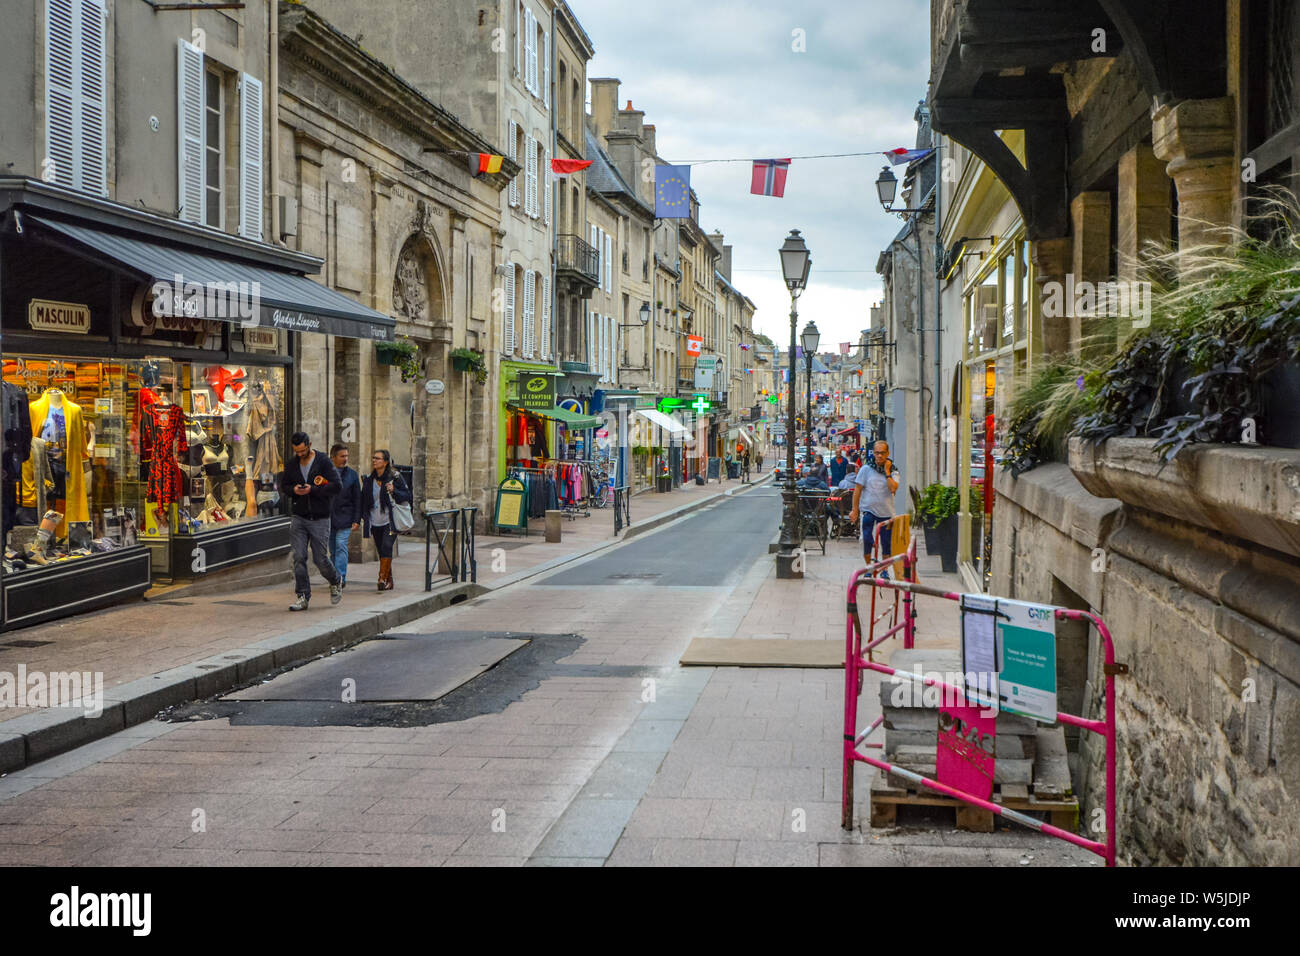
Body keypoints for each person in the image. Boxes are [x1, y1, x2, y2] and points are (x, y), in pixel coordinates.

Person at [281, 432, 342, 611]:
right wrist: (294, 490)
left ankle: (335, 580)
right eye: (296, 451)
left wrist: (313, 490)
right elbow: (284, 485)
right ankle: (302, 596)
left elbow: (337, 485)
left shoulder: (323, 461)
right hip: (299, 517)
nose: (300, 454)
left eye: (302, 450)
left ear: (309, 444)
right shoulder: (292, 464)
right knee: (299, 557)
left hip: (320, 518)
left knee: (320, 559)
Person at [361, 449, 412, 591]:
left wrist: (394, 490)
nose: (374, 461)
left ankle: (381, 578)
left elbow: (407, 495)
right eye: (373, 458)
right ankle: (389, 581)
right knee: (381, 551)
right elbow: (363, 500)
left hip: (390, 520)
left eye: (377, 458)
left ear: (385, 462)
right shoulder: (369, 479)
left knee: (386, 547)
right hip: (375, 521)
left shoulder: (395, 477)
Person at [850, 440, 901, 574]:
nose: (879, 456)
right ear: (873, 453)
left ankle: (884, 571)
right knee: (867, 539)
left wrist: (887, 471)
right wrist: (855, 510)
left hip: (886, 513)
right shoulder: (866, 469)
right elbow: (858, 490)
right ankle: (869, 568)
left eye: (882, 453)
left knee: (886, 544)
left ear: (888, 453)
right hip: (868, 510)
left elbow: (893, 488)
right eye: (877, 453)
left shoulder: (894, 471)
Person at [328, 443, 361, 588]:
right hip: (328, 518)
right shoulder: (325, 474)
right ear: (333, 457)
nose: (345, 459)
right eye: (342, 456)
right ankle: (334, 576)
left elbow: (357, 499)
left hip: (345, 517)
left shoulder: (352, 475)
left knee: (341, 545)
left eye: (346, 456)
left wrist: (356, 519)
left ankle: (340, 578)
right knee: (333, 549)